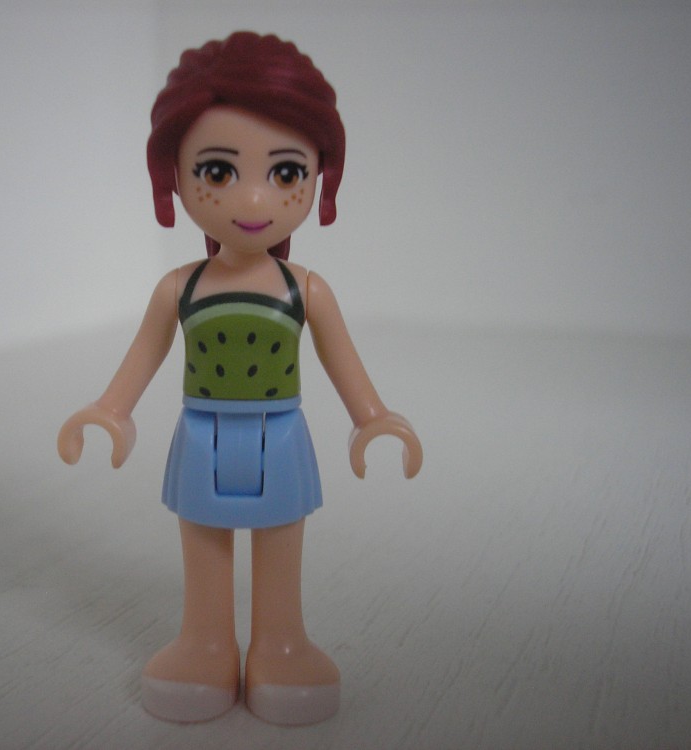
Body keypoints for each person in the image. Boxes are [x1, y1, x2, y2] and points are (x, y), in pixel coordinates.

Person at [57, 31, 422, 725]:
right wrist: (110, 410)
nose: (254, 196)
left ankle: (282, 643)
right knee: (204, 543)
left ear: (319, 178)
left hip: (280, 433)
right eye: (219, 171)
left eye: (285, 173)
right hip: (201, 434)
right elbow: (143, 357)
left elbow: (343, 362)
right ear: (173, 175)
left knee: (281, 543)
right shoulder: (179, 289)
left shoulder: (306, 289)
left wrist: (372, 418)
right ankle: (205, 642)